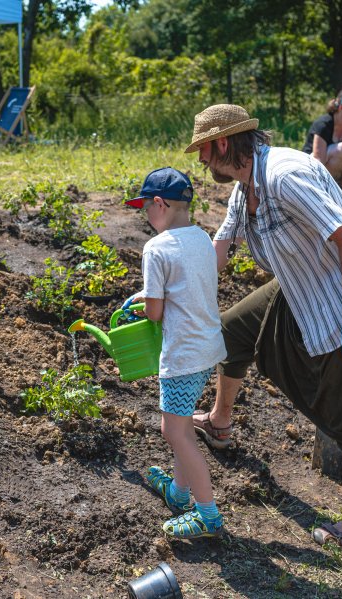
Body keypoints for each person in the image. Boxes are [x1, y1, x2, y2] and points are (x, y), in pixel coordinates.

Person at [186, 104, 342, 549]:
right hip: (298, 283)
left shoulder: (283, 175)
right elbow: (220, 248)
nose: (200, 161)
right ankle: (220, 422)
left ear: (222, 143)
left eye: (202, 150)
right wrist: (171, 287)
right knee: (232, 331)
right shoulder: (246, 188)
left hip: (338, 297)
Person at [123, 167, 228, 540]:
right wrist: (148, 297)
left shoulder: (156, 248)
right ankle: (180, 495)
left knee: (174, 431)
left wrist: (144, 303)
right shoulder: (201, 237)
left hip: (182, 355)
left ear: (159, 203)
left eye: (145, 209)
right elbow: (187, 286)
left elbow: (155, 312)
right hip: (208, 347)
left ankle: (208, 516)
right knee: (182, 426)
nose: (145, 217)